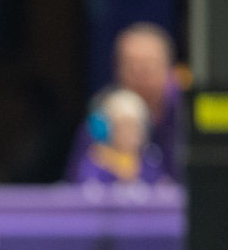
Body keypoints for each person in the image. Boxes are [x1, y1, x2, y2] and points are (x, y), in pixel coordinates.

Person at [65, 22, 183, 180]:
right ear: (117, 70)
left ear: (168, 69)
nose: (141, 76)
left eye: (148, 66)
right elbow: (77, 181)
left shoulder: (185, 111)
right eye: (132, 67)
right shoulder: (101, 117)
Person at [73, 88, 168, 186]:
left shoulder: (150, 161)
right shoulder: (95, 160)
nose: (129, 134)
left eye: (134, 127)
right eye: (122, 127)